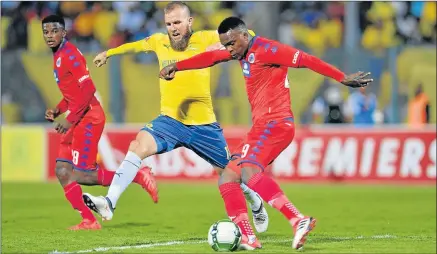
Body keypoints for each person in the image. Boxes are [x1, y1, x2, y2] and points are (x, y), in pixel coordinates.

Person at [160, 16, 373, 250]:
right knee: (228, 177)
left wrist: (342, 77)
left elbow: (306, 60)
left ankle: (297, 219)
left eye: (231, 43)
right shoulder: (239, 51)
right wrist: (177, 66)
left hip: (277, 123)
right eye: (225, 45)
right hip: (261, 127)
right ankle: (248, 237)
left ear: (244, 35)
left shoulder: (269, 49)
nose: (229, 49)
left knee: (249, 171)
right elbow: (210, 57)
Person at [82, 2, 269, 245]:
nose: (173, 28)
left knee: (232, 175)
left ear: (189, 22)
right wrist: (109, 53)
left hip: (204, 127)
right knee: (138, 145)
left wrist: (223, 43)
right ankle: (109, 202)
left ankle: (255, 202)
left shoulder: (204, 38)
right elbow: (136, 46)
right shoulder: (159, 41)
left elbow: (248, 35)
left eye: (178, 22)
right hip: (170, 122)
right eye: (169, 24)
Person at [42, 15, 157, 231]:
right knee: (62, 171)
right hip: (77, 116)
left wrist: (69, 119)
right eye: (46, 32)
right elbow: (72, 94)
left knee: (84, 174)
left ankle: (137, 175)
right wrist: (57, 110)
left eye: (54, 31)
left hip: (88, 117)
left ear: (64, 32)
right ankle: (89, 220)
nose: (50, 36)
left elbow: (88, 90)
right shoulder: (57, 55)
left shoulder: (70, 55)